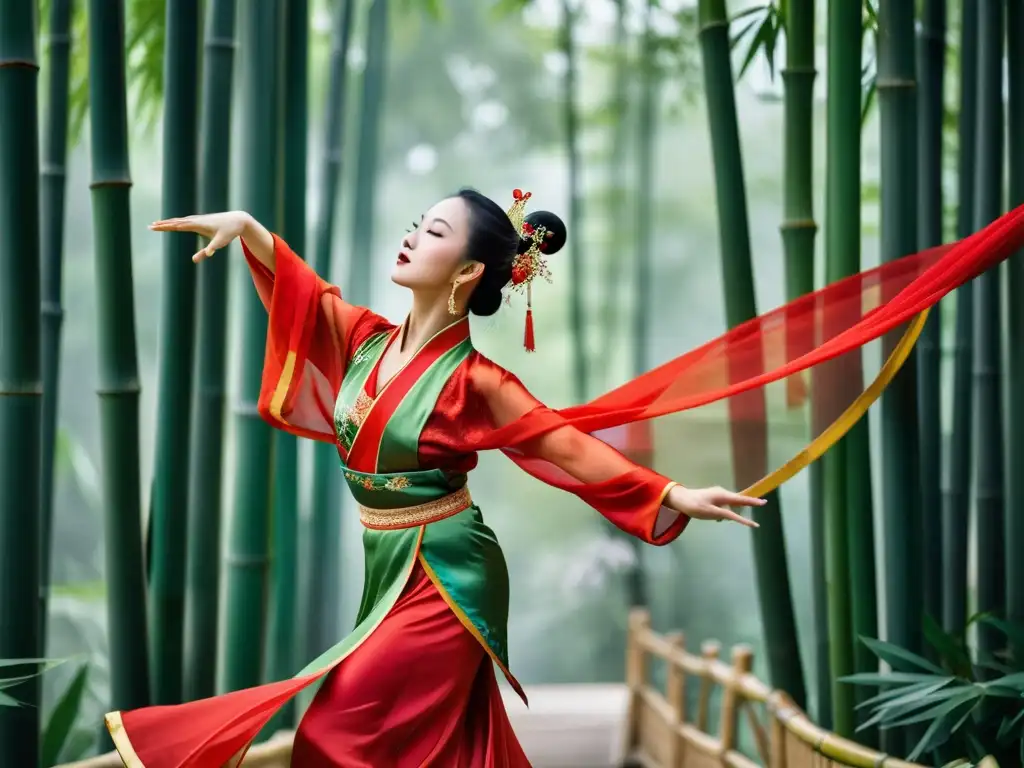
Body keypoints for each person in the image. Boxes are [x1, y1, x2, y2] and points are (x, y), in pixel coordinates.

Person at [105, 188, 765, 767]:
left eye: (435, 232)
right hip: (388, 561)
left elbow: (563, 447)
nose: (413, 235)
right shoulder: (366, 340)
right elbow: (307, 297)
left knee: (336, 733)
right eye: (419, 224)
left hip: (447, 572)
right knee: (432, 749)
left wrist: (671, 493)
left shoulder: (478, 383)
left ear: (469, 271)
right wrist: (250, 229)